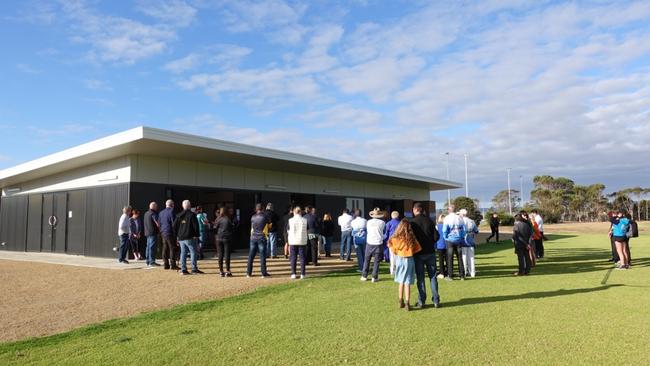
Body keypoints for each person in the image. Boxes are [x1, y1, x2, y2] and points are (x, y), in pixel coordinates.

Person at [410, 202, 441, 308]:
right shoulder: (430, 221)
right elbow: (437, 236)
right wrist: (431, 242)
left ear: (415, 210)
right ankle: (436, 300)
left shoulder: (412, 223)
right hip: (430, 252)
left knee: (420, 277)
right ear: (422, 210)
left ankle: (421, 300)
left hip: (418, 253)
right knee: (433, 276)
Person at [388, 219, 422, 311]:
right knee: (407, 282)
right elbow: (418, 248)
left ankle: (400, 301)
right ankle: (407, 303)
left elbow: (390, 245)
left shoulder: (396, 238)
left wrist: (396, 251)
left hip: (400, 259)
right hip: (409, 259)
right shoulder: (411, 238)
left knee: (401, 281)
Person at [173, 200, 203, 275]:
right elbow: (196, 227)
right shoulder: (192, 215)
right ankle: (194, 269)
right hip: (190, 237)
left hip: (181, 237)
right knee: (193, 252)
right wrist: (197, 236)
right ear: (189, 206)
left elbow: (174, 227)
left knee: (183, 253)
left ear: (183, 206)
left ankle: (183, 269)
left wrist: (177, 236)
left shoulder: (178, 215)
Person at [361, 208, 386, 282]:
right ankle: (374, 277)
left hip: (370, 242)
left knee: (367, 260)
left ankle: (364, 276)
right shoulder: (382, 222)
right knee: (376, 261)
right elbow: (383, 231)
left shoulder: (368, 222)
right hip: (378, 243)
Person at [442, 205, 466, 280]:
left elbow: (444, 230)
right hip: (458, 240)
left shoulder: (447, 218)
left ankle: (450, 276)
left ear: (449, 210)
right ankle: (462, 275)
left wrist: (445, 237)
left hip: (450, 240)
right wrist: (461, 237)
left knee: (450, 258)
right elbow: (464, 229)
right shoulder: (460, 218)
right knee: (459, 258)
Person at [247, 203, 271, 278]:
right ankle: (263, 273)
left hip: (253, 237)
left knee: (251, 256)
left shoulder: (253, 217)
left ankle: (248, 273)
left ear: (256, 209)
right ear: (263, 208)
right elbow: (270, 225)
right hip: (262, 237)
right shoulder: (265, 216)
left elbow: (252, 227)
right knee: (262, 256)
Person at [288, 206, 308, 279]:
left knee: (293, 258)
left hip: (293, 241)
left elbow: (288, 229)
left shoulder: (290, 220)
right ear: (300, 212)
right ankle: (303, 274)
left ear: (294, 212)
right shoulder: (305, 220)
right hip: (302, 241)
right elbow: (307, 229)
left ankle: (293, 273)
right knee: (302, 258)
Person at [214, 207, 234, 277]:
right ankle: (228, 271)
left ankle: (221, 271)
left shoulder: (218, 219)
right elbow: (232, 228)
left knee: (220, 255)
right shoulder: (228, 219)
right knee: (227, 254)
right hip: (227, 238)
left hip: (219, 238)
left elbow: (214, 228)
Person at [159, 199, 178, 270]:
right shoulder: (172, 211)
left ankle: (166, 264)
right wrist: (176, 233)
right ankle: (173, 265)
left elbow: (159, 223)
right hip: (170, 232)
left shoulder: (161, 212)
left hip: (163, 232)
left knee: (165, 248)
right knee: (172, 248)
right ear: (172, 205)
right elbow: (174, 223)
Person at [459, 209, 478, 278]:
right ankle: (472, 273)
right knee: (471, 258)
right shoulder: (472, 221)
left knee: (464, 258)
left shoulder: (460, 221)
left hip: (463, 241)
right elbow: (476, 231)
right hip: (471, 241)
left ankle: (465, 272)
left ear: (462, 214)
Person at [143, 202, 161, 267]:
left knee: (148, 247)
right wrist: (160, 228)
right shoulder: (153, 213)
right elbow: (157, 223)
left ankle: (147, 261)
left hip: (147, 232)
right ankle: (152, 261)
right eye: (156, 206)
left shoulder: (146, 213)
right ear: (154, 206)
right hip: (153, 232)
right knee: (152, 247)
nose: (157, 207)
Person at [435, 214, 447, 279]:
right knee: (447, 259)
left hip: (440, 244)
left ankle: (442, 273)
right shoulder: (447, 225)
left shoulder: (437, 226)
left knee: (441, 259)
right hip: (447, 244)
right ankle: (448, 272)